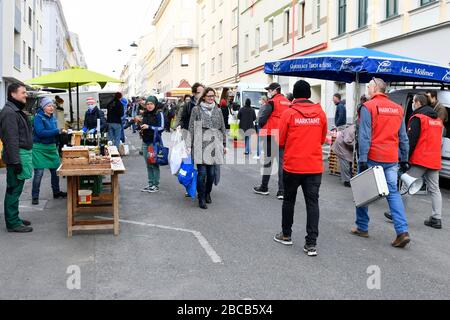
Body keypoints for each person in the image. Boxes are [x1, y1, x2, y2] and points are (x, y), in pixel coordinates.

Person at [351, 77, 411, 248]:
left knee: (364, 191)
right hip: (391, 158)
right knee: (393, 193)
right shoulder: (398, 108)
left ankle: (362, 227)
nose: (367, 89)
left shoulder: (368, 107)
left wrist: (362, 159)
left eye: (369, 86)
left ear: (376, 88)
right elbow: (403, 137)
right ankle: (402, 231)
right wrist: (405, 158)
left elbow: (364, 136)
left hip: (372, 156)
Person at [274, 80, 328, 257]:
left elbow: (280, 140)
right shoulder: (320, 113)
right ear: (309, 95)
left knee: (289, 200)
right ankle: (311, 243)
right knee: (312, 204)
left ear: (295, 95)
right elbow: (321, 139)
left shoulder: (289, 113)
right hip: (313, 166)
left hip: (293, 165)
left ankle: (286, 234)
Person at [406, 94, 444, 229]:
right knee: (435, 189)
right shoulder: (438, 120)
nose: (413, 104)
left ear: (417, 103)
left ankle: (397, 214)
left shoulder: (418, 118)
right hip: (434, 159)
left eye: (414, 102)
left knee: (407, 185)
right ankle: (436, 218)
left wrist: (405, 158)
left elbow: (411, 140)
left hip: (420, 159)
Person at [0, 83, 34, 233]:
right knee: (13, 189)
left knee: (16, 189)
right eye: (23, 93)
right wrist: (15, 161)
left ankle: (15, 218)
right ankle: (13, 223)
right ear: (13, 94)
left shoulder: (15, 110)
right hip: (16, 156)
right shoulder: (9, 113)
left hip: (20, 154)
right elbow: (10, 139)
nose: (25, 95)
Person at [188, 87, 226, 210]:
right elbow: (191, 127)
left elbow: (223, 128)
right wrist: (189, 144)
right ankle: (201, 197)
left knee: (211, 174)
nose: (211, 98)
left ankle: (208, 192)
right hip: (200, 144)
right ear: (204, 96)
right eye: (209, 96)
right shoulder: (196, 110)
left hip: (214, 145)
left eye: (213, 96)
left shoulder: (218, 110)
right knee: (202, 173)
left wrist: (224, 144)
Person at [253, 82, 291, 200]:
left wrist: (261, 125)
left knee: (268, 162)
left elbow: (262, 118)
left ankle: (264, 187)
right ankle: (282, 191)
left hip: (270, 135)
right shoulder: (289, 103)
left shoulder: (272, 102)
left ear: (276, 90)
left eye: (270, 90)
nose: (268, 92)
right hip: (284, 135)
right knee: (282, 163)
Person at [31, 97, 67, 205]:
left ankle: (56, 192)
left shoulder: (53, 117)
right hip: (39, 148)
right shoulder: (38, 118)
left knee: (55, 172)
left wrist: (61, 137)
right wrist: (58, 131)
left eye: (52, 106)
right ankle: (35, 196)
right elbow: (41, 133)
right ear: (43, 107)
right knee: (39, 174)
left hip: (51, 148)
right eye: (49, 106)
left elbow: (54, 133)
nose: (51, 108)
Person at [139, 96, 165, 193]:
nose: (149, 106)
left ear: (155, 104)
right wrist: (140, 126)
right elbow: (144, 126)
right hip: (145, 141)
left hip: (154, 142)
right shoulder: (146, 113)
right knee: (148, 164)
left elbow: (162, 127)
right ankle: (150, 184)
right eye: (148, 104)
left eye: (151, 104)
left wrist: (149, 127)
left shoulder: (159, 113)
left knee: (153, 163)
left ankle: (156, 185)